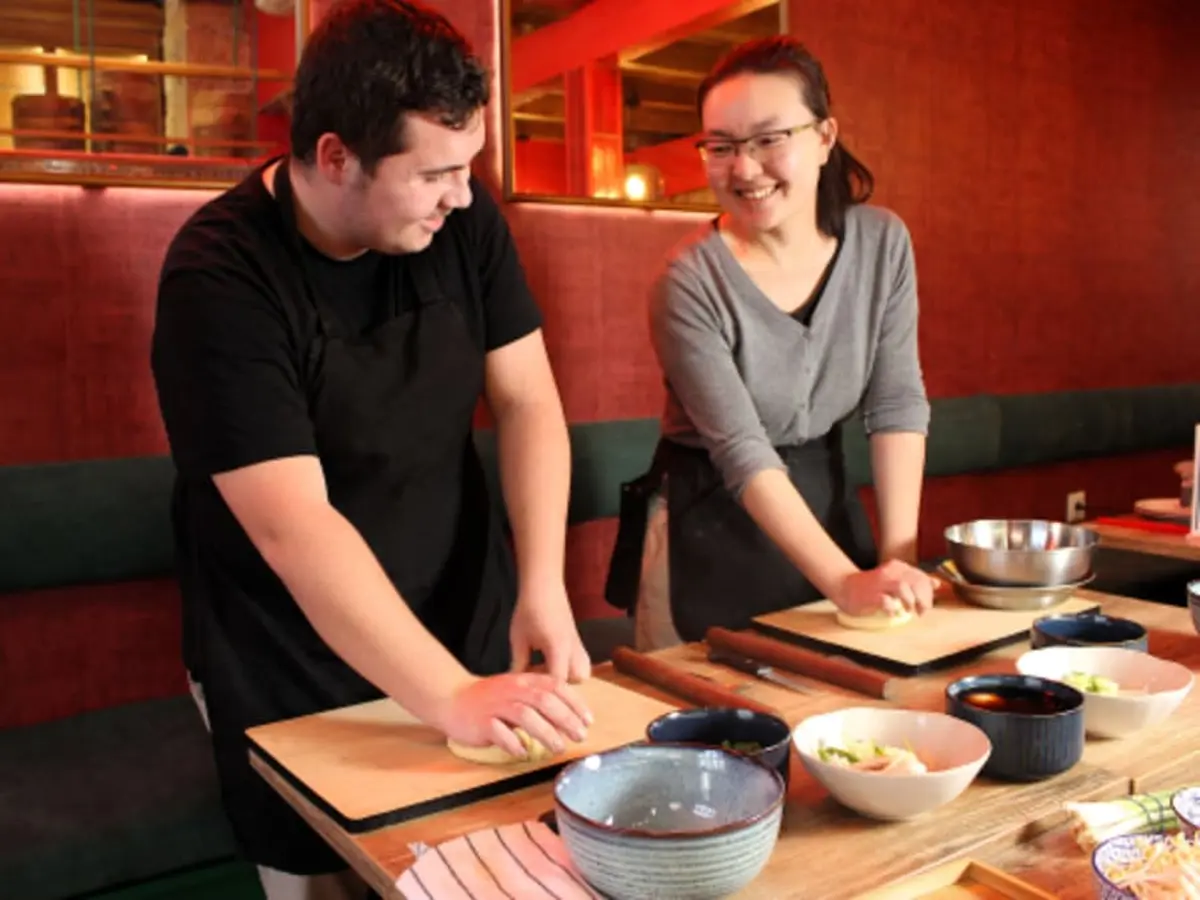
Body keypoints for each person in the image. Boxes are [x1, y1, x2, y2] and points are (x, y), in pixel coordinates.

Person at [149, 2, 593, 897]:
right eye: (435, 174)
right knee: (329, 879)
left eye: (468, 169)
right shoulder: (220, 276)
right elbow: (293, 527)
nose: (462, 196)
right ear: (335, 157)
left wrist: (542, 584)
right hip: (288, 651)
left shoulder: (461, 218)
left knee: (484, 870)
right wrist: (448, 696)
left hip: (460, 605)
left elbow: (528, 400)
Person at [609, 36, 939, 650]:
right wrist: (843, 582)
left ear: (823, 137)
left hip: (830, 505)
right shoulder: (687, 281)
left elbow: (896, 403)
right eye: (722, 146)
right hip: (708, 524)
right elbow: (741, 450)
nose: (744, 168)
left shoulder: (882, 244)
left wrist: (899, 563)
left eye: (768, 139)